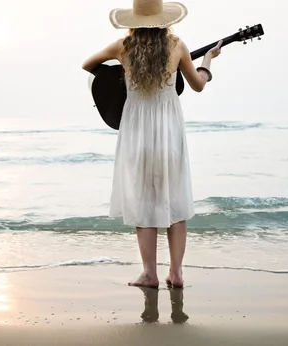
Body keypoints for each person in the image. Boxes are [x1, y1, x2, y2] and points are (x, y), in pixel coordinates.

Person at [82, 0, 222, 288]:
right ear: (163, 19)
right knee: (176, 202)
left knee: (143, 201)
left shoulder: (123, 46)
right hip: (169, 130)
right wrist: (207, 61)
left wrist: (118, 75)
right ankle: (177, 273)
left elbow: (88, 65)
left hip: (136, 131)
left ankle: (149, 273)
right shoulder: (177, 46)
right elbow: (198, 84)